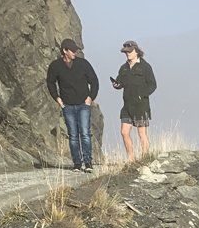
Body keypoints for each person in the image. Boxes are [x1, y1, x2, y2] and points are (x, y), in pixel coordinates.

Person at [46, 39, 98, 172]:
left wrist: (90, 98)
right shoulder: (55, 66)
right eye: (72, 50)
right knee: (73, 135)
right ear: (65, 51)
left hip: (83, 105)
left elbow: (94, 81)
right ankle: (77, 164)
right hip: (67, 106)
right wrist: (57, 98)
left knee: (85, 133)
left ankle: (88, 163)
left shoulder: (83, 64)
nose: (75, 52)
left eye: (76, 50)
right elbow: (50, 83)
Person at [110, 41, 157, 160]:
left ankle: (145, 158)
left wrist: (142, 94)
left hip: (141, 105)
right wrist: (117, 85)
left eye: (129, 52)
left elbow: (153, 85)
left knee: (142, 133)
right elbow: (120, 83)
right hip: (127, 106)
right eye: (125, 52)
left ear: (136, 51)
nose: (127, 54)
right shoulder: (123, 68)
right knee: (124, 132)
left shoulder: (145, 67)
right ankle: (131, 159)